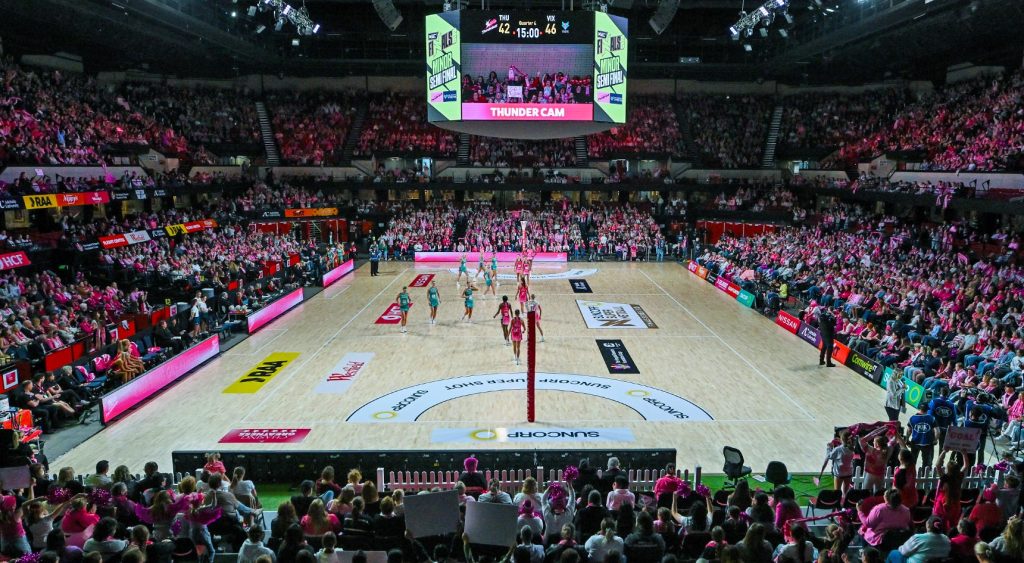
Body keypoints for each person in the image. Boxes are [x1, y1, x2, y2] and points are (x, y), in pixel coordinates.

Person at [906, 403, 936, 468]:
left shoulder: (912, 418)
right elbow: (937, 431)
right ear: (927, 410)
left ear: (920, 409)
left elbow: (909, 431)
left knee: (912, 461)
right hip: (927, 444)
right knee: (925, 463)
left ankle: (912, 475)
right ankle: (923, 476)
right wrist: (935, 440)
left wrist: (907, 440)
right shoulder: (931, 418)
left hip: (915, 443)